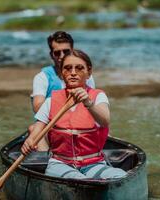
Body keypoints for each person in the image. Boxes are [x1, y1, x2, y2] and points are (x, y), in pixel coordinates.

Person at [22, 49, 127, 179]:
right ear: (61, 74)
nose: (73, 73)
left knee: (121, 176)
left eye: (79, 68)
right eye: (67, 68)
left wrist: (88, 102)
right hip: (60, 164)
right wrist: (30, 141)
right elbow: (36, 131)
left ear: (89, 73)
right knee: (81, 180)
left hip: (94, 163)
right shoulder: (50, 101)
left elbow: (105, 120)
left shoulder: (98, 96)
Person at [31, 31, 95, 114]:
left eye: (66, 52)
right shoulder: (42, 77)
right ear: (51, 55)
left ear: (72, 51)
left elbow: (93, 102)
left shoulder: (85, 75)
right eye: (57, 53)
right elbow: (37, 108)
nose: (62, 56)